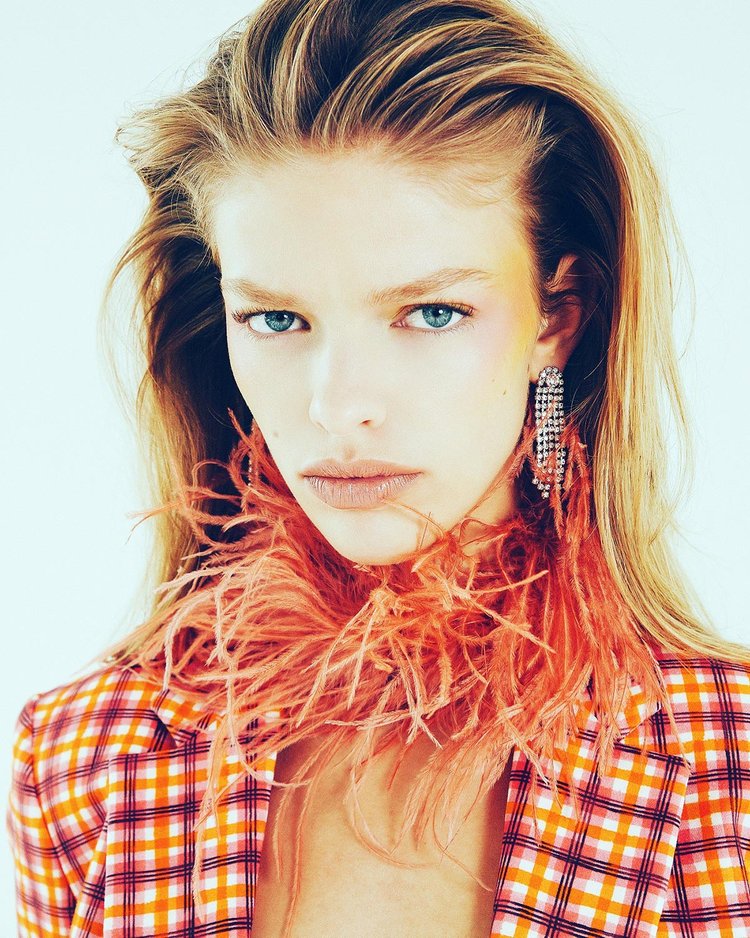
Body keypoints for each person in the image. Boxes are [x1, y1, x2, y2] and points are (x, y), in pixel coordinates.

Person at [8, 0, 750, 935]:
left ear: (556, 318)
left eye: (431, 313)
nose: (337, 404)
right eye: (277, 320)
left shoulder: (726, 764)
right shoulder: (89, 755)